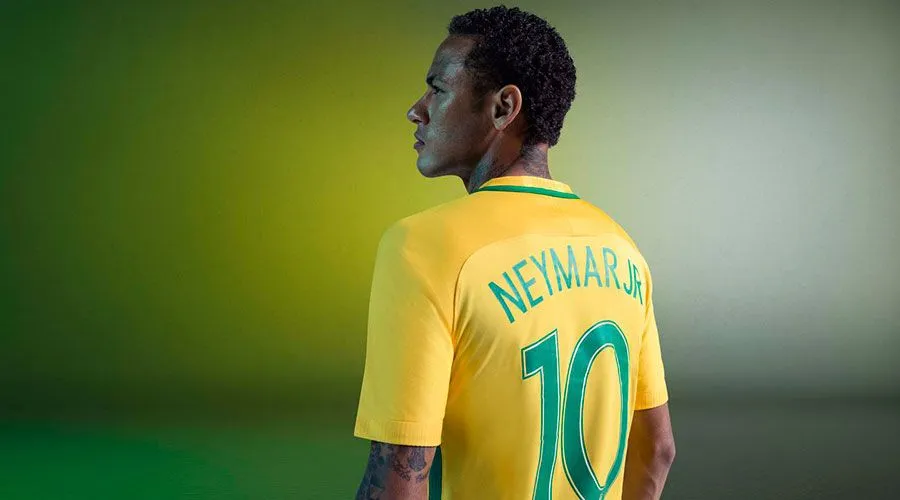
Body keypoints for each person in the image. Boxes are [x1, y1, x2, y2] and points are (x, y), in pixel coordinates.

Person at [354, 6, 675, 499]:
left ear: (504, 107)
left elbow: (400, 478)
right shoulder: (621, 247)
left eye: (438, 89)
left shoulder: (422, 247)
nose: (417, 109)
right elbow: (656, 450)